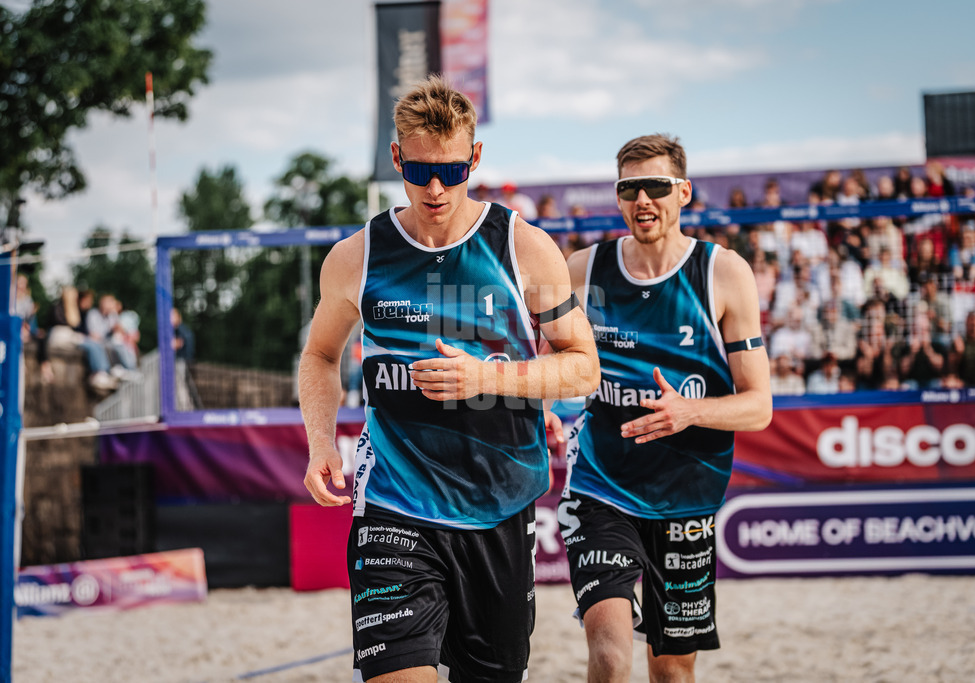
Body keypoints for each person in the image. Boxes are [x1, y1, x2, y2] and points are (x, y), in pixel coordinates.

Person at [298, 75, 599, 683]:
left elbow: (583, 365)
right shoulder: (357, 256)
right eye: (420, 171)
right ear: (397, 158)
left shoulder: (524, 248)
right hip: (394, 506)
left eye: (454, 171)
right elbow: (320, 356)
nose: (436, 188)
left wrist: (489, 377)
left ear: (475, 158)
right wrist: (322, 443)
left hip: (498, 507)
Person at [557, 133, 772, 683]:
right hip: (601, 488)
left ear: (684, 193)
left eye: (655, 186)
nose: (642, 199)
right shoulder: (584, 269)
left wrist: (690, 413)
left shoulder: (723, 273)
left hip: (685, 498)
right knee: (609, 652)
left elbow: (759, 406)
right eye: (629, 188)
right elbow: (538, 353)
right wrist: (539, 414)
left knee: (672, 671)